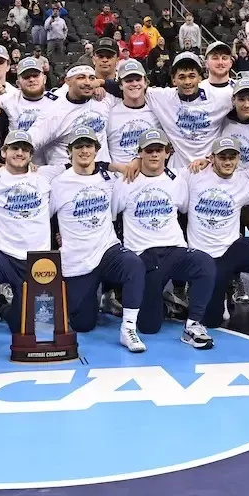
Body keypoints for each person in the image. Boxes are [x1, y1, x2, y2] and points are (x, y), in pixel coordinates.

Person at [0, 131, 66, 364]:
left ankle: (0, 308)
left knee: (23, 326)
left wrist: (129, 165)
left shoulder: (45, 175)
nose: (19, 153)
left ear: (31, 154)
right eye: (14, 148)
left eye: (25, 149)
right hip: (3, 254)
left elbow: (82, 163)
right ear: (3, 152)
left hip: (36, 260)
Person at [46, 126, 147, 351]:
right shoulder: (58, 183)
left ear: (96, 150)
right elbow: (44, 217)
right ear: (69, 152)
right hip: (78, 260)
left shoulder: (109, 178)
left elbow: (141, 169)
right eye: (79, 146)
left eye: (89, 146)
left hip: (107, 249)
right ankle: (90, 301)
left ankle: (128, 329)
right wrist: (56, 238)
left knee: (133, 264)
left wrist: (127, 163)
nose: (84, 151)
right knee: (83, 324)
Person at [112, 129, 215, 348]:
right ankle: (166, 303)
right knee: (149, 327)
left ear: (167, 153)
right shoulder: (125, 181)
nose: (154, 155)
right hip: (143, 256)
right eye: (149, 150)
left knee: (204, 262)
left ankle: (193, 325)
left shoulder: (177, 180)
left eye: (159, 150)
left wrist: (205, 160)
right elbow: (112, 216)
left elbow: (184, 207)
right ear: (140, 153)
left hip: (174, 250)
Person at [184, 137, 249, 328]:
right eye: (222, 157)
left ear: (239, 158)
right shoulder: (194, 174)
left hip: (231, 248)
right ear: (212, 158)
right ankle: (210, 292)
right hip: (203, 255)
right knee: (212, 322)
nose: (228, 162)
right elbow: (162, 174)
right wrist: (136, 163)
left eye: (232, 157)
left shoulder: (243, 180)